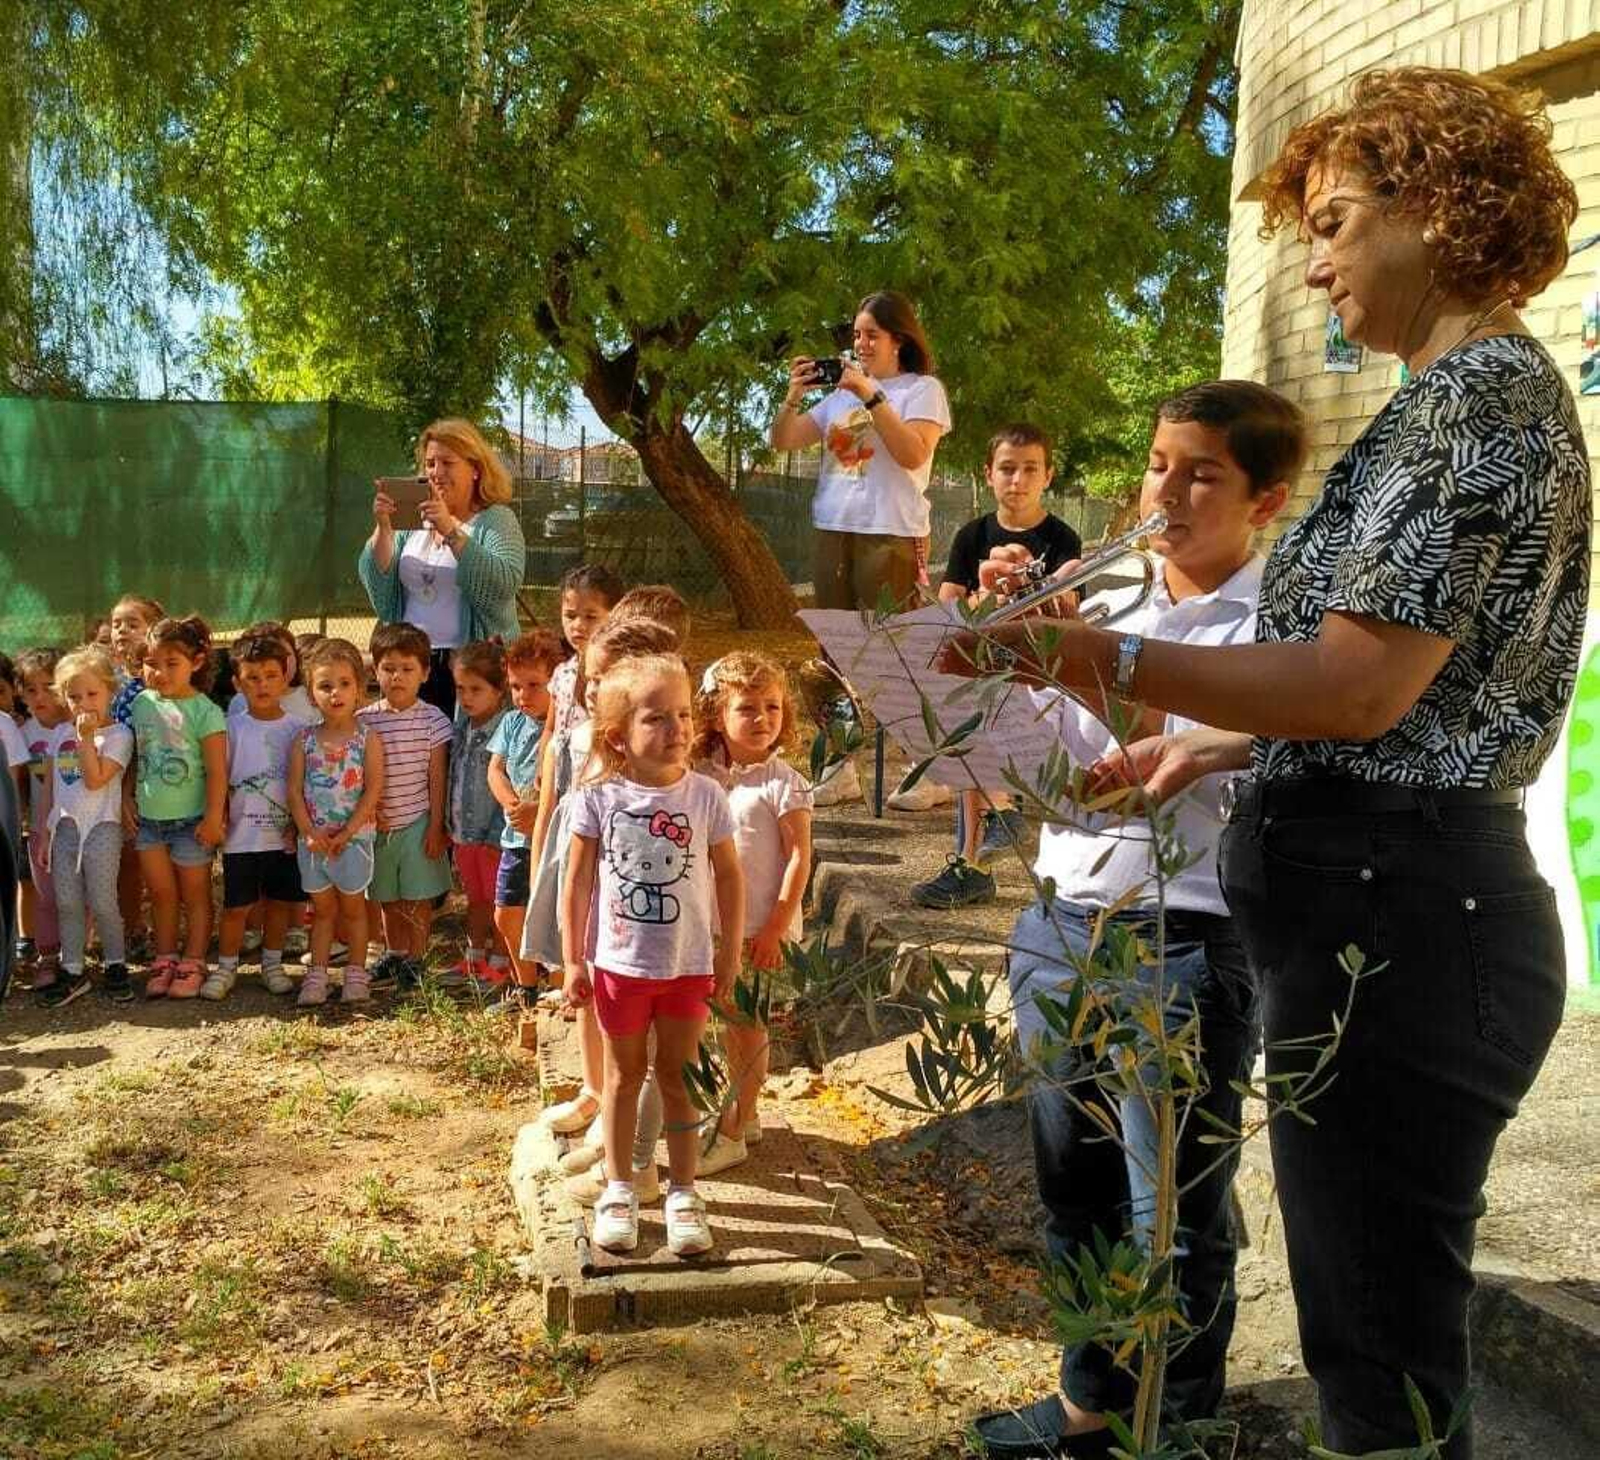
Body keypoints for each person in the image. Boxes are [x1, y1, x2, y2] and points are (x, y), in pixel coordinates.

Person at [949, 68, 1589, 1459]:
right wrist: (1214, 742)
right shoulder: (1457, 400)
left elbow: (1359, 690)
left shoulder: (1474, 405)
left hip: (1404, 919)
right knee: (1372, 1338)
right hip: (1389, 898)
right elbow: (1411, 690)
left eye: (1339, 218)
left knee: (1379, 1359)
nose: (1314, 258)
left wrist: (1093, 663)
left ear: (1443, 212)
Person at [964, 381, 1302, 1457]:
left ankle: (1176, 1421)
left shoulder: (1278, 621)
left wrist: (1074, 652)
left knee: (1174, 1209)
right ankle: (1086, 1404)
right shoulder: (1101, 592)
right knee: (1073, 1193)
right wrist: (1004, 642)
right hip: (1063, 916)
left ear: (1268, 498)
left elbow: (1166, 750)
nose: (1168, 489)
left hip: (1185, 932)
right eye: (1159, 463)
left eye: (1202, 471)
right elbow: (1037, 759)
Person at [560, 652, 744, 1257]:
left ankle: (684, 1193)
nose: (678, 730)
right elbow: (578, 883)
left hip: (688, 967)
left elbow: (729, 879)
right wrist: (572, 959)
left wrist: (730, 954)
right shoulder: (598, 798)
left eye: (685, 714)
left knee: (679, 1078)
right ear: (619, 735)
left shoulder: (708, 796)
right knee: (621, 1076)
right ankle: (620, 1188)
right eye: (657, 719)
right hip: (619, 968)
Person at [769, 289, 953, 806]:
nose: (861, 343)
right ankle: (838, 766)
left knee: (898, 651)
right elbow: (783, 440)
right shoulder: (839, 399)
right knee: (833, 653)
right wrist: (792, 396)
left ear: (900, 339)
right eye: (855, 335)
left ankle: (928, 767)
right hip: (834, 529)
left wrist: (871, 394)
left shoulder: (922, 390)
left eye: (872, 334)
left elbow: (913, 453)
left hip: (891, 531)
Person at [910, 424, 1083, 909]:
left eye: (1031, 469)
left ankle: (980, 848)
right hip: (985, 658)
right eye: (1007, 468)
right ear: (988, 475)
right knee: (964, 704)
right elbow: (948, 608)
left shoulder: (1062, 538)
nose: (1018, 479)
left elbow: (1069, 613)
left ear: (1048, 476)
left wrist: (1031, 589)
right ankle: (988, 831)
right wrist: (988, 597)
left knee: (973, 709)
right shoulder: (973, 535)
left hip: (1040, 669)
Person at [556, 617, 690, 1205]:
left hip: (676, 946)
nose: (591, 689)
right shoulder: (605, 762)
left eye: (601, 676)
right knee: (624, 1063)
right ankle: (621, 1153)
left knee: (661, 1065)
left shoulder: (680, 774)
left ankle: (641, 1167)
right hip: (618, 938)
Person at [693, 652, 814, 1175]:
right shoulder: (703, 776)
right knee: (726, 1026)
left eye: (773, 707)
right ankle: (747, 1108)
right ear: (718, 714)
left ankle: (733, 1130)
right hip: (714, 927)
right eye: (747, 708)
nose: (763, 718)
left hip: (760, 927)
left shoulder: (782, 780)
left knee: (749, 1026)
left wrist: (775, 926)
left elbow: (799, 857)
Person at [358, 418, 527, 720]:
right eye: (430, 463)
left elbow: (502, 585)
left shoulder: (496, 520)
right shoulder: (411, 523)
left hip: (468, 669)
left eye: (447, 462)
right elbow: (379, 585)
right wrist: (383, 528)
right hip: (411, 666)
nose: (436, 473)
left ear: (475, 469)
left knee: (463, 760)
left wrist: (451, 530)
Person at [129, 617, 228, 999]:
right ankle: (166, 957)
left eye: (172, 663)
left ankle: (194, 960)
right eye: (151, 663)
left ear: (197, 662)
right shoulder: (140, 703)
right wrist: (126, 799)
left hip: (193, 823)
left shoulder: (206, 712)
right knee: (161, 894)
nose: (159, 672)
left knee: (196, 896)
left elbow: (218, 772)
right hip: (150, 822)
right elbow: (135, 757)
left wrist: (213, 817)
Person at [216, 631, 313, 1000]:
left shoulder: (298, 731)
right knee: (237, 907)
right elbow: (220, 780)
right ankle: (225, 969)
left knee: (277, 905)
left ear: (286, 675)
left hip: (283, 839)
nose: (262, 685)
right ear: (238, 682)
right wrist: (220, 818)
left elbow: (304, 786)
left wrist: (299, 825)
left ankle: (272, 966)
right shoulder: (231, 728)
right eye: (253, 678)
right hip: (240, 838)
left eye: (271, 675)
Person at [289, 639, 385, 1007]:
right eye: (325, 685)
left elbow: (373, 788)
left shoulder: (367, 738)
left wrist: (347, 832)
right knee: (323, 913)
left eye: (345, 684)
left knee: (353, 910)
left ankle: (356, 976)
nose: (336, 693)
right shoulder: (303, 741)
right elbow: (295, 793)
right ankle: (317, 976)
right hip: (314, 844)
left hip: (354, 841)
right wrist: (310, 833)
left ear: (359, 689)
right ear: (311, 694)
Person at [358, 622, 454, 991]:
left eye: (407, 668)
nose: (397, 676)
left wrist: (435, 828)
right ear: (375, 671)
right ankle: (395, 953)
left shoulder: (434, 720)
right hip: (379, 826)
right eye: (389, 668)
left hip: (418, 821)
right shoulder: (364, 721)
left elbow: (437, 777)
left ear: (425, 673)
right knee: (386, 896)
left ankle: (416, 958)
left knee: (417, 897)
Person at [38, 646, 135, 1006]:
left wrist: (84, 740)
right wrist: (43, 827)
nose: (83, 703)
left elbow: (95, 781)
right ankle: (74, 969)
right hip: (64, 830)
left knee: (102, 900)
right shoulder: (60, 732)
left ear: (110, 691)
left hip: (101, 829)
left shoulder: (119, 736)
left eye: (92, 694)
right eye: (73, 696)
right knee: (67, 901)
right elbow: (51, 783)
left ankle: (115, 964)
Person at [487, 628, 563, 1008]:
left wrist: (539, 812)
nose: (523, 695)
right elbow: (495, 769)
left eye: (535, 685)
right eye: (516, 686)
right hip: (516, 840)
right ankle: (526, 986)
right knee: (506, 914)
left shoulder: (567, 730)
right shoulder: (511, 723)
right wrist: (511, 804)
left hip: (553, 843)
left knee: (556, 916)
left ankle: (561, 988)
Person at [448, 640, 512, 986]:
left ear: (499, 690)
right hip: (463, 836)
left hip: (494, 839)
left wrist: (496, 833)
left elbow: (512, 788)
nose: (466, 697)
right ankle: (473, 958)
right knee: (475, 900)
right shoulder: (462, 729)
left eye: (476, 689)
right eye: (460, 689)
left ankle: (502, 962)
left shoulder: (509, 732)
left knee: (500, 903)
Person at [14, 648, 68, 994]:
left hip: (77, 829)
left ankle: (74, 955)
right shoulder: (22, 732)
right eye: (31, 689)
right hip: (39, 831)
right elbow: (18, 781)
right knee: (47, 897)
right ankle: (47, 957)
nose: (39, 697)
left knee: (79, 897)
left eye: (48, 687)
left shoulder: (76, 728)